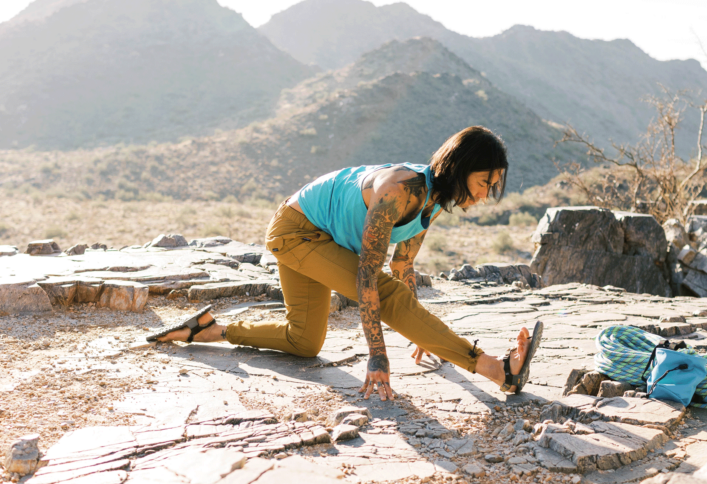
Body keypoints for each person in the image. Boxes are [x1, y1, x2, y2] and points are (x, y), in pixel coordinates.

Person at [148, 126, 543, 400]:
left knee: (304, 342)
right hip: (297, 231)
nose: (487, 193)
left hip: (323, 238)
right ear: (459, 169)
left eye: (494, 185)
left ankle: (207, 330)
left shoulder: (434, 202)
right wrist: (377, 355)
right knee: (384, 296)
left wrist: (421, 334)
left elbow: (402, 268)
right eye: (484, 182)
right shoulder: (398, 191)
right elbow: (370, 281)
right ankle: (496, 369)